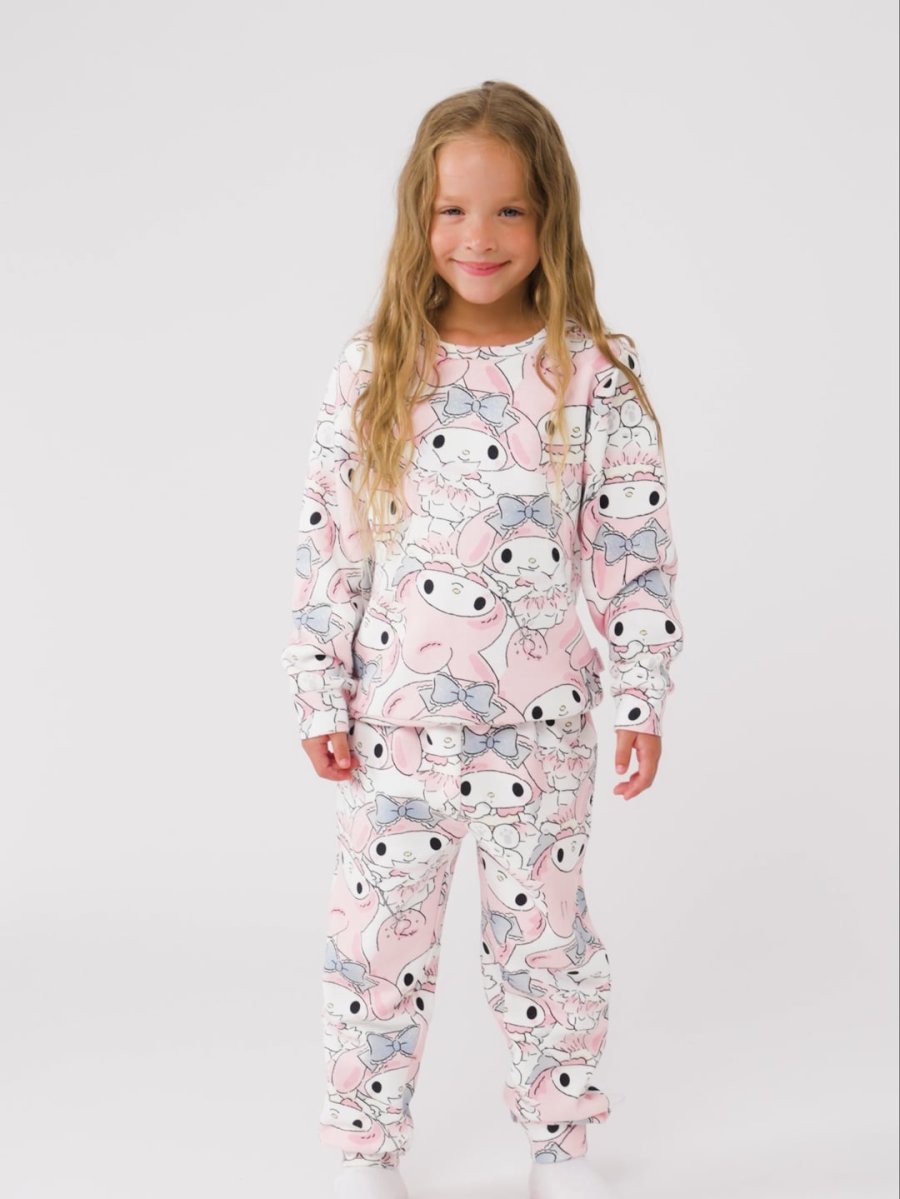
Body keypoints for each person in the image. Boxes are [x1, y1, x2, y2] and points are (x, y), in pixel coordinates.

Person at [280, 80, 685, 1199]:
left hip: (539, 736)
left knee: (547, 948)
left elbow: (632, 547)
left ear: (552, 216)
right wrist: (318, 690)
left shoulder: (594, 375)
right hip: (394, 732)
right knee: (377, 949)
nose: (480, 236)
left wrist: (641, 693)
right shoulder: (374, 368)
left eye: (510, 209)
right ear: (419, 216)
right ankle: (368, 1149)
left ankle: (560, 1143)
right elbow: (330, 544)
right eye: (453, 210)